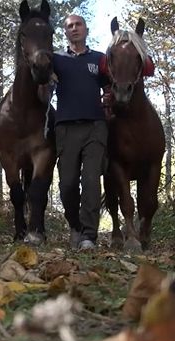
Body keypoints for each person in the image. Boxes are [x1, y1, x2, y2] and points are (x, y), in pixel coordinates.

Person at [52, 14, 110, 251]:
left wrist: (109, 97)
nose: (74, 29)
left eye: (78, 25)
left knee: (91, 181)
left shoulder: (99, 59)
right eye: (69, 26)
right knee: (66, 184)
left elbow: (110, 87)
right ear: (65, 32)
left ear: (86, 29)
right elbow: (40, 78)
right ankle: (74, 225)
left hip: (95, 126)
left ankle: (89, 235)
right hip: (65, 127)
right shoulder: (56, 59)